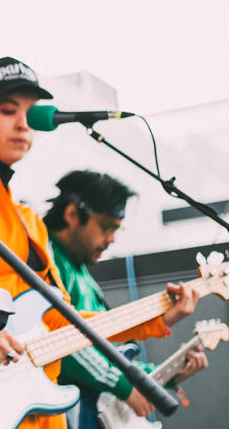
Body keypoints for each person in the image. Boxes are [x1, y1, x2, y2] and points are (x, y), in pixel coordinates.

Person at [0, 56, 199, 429]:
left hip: (42, 415)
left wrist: (154, 316)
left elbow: (60, 325)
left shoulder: (29, 219)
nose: (22, 124)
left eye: (31, 113)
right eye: (7, 109)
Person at [44, 170, 208, 429]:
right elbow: (59, 342)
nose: (111, 239)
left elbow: (108, 356)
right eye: (106, 227)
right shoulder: (46, 258)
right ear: (72, 214)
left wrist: (168, 376)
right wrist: (125, 388)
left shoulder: (82, 273)